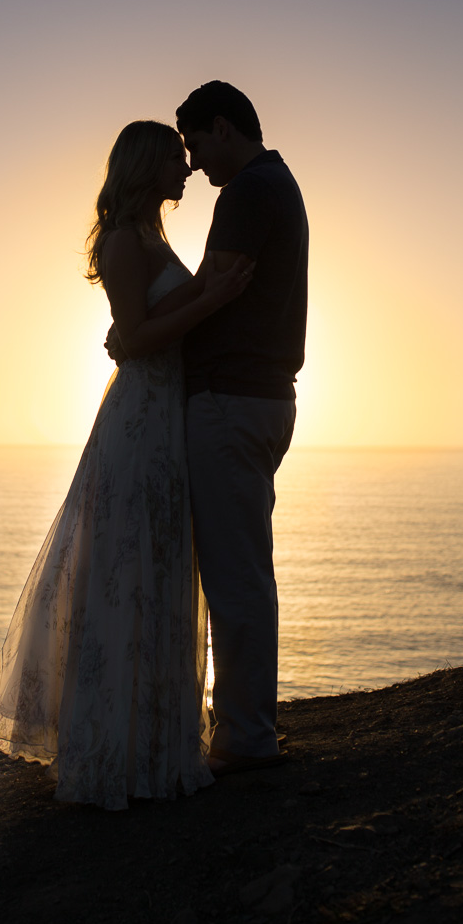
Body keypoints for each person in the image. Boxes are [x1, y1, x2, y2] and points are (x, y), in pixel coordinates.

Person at [0, 120, 252, 810]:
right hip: (141, 419)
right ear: (146, 166)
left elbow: (144, 323)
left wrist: (207, 288)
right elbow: (140, 337)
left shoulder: (152, 236)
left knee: (157, 568)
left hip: (167, 415)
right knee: (128, 568)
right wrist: (213, 297)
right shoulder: (124, 240)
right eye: (175, 161)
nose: (187, 170)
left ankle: (152, 741)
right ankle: (114, 753)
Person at [175, 82, 308, 774]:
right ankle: (244, 726)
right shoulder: (273, 184)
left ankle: (247, 738)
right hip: (258, 398)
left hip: (232, 400)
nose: (192, 164)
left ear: (222, 128)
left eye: (195, 144)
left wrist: (143, 328)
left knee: (236, 579)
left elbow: (217, 283)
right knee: (243, 571)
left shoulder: (251, 190)